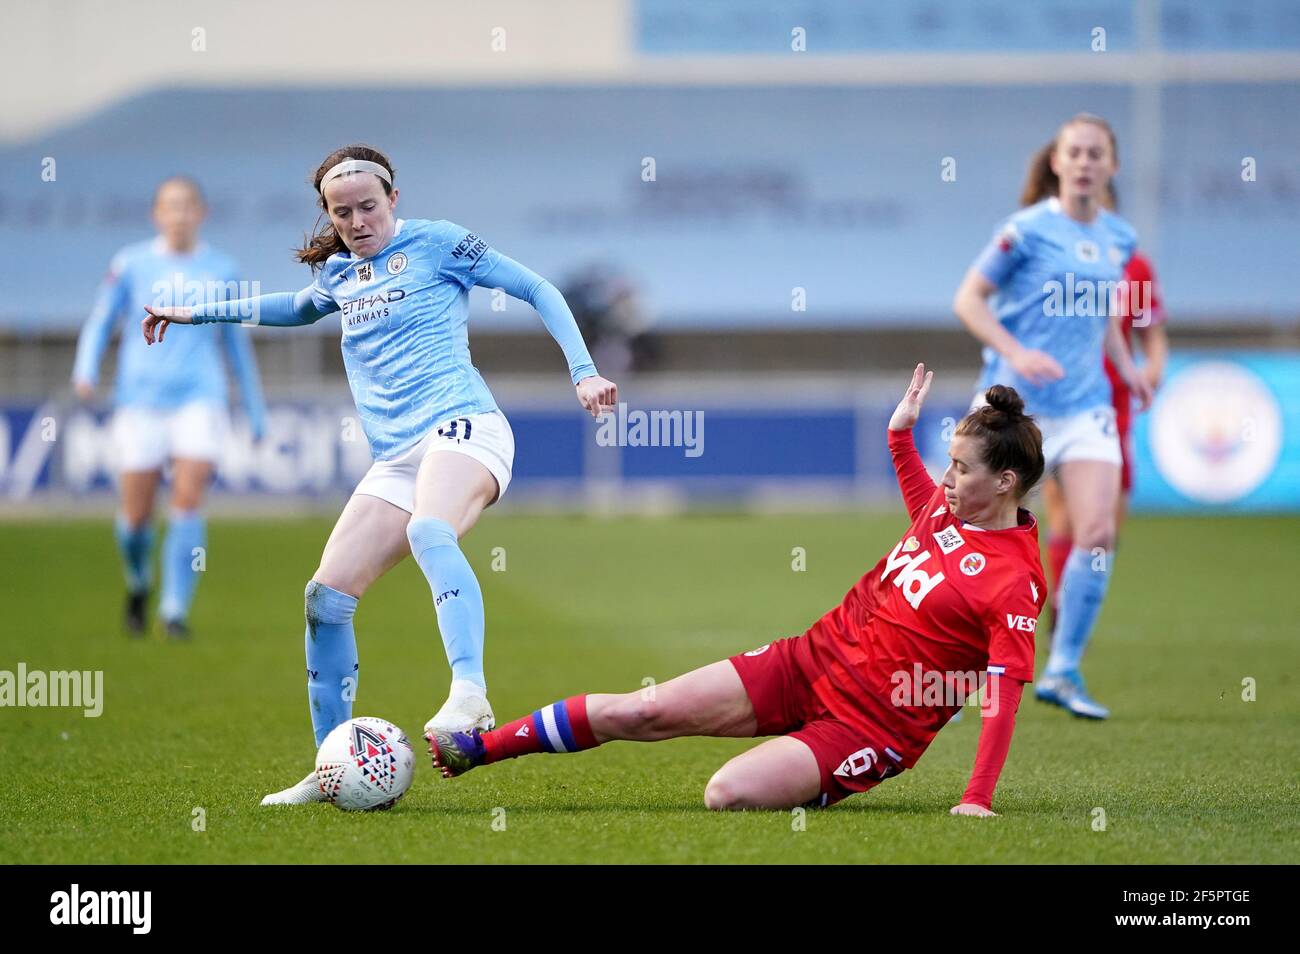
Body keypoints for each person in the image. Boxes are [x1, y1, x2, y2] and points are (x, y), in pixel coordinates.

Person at [140, 144, 618, 804]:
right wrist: (196, 313)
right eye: (343, 212)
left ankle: (469, 693)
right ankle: (331, 764)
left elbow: (536, 287)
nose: (358, 220)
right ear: (330, 216)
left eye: (369, 206)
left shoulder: (440, 244)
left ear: (394, 200)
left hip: (465, 427)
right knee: (325, 599)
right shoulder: (339, 275)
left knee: (430, 528)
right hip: (396, 457)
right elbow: (297, 307)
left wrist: (583, 371)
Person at [429, 365, 1046, 816]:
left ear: (1005, 483)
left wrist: (976, 798)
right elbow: (924, 512)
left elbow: (1003, 693)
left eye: (962, 469)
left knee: (727, 794)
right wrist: (897, 437)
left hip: (866, 728)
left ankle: (816, 770)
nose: (947, 477)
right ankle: (478, 749)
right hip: (809, 661)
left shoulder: (1015, 582)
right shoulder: (947, 511)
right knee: (643, 710)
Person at [952, 113, 1154, 720]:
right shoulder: (1024, 231)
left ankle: (1063, 668)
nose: (1087, 162)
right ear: (1058, 163)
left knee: (1097, 533)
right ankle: (952, 671)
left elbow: (1107, 319)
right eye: (1077, 152)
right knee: (968, 537)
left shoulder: (1120, 237)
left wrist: (1129, 365)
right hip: (1011, 407)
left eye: (1098, 153)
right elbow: (968, 299)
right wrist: (1016, 353)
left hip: (1086, 407)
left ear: (1112, 166)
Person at [72, 175, 266, 639]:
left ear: (201, 212)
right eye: (169, 206)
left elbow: (235, 342)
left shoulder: (222, 269)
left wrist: (255, 408)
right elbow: (101, 320)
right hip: (139, 399)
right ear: (156, 214)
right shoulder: (131, 263)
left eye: (187, 205)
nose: (179, 214)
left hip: (201, 398)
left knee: (187, 497)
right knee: (136, 515)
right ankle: (139, 583)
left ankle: (175, 609)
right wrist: (85, 369)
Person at [1042, 185, 1168, 618]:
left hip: (1114, 405)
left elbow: (1152, 333)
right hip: (1066, 397)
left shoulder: (1135, 267)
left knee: (1106, 520)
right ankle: (1063, 602)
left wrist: (1151, 368)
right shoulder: (1055, 260)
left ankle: (1078, 594)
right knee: (1061, 504)